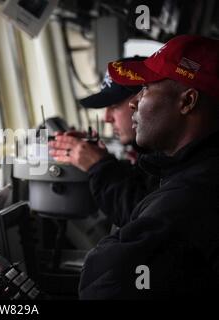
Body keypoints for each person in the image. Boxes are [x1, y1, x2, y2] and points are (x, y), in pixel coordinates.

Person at [76, 34, 219, 298]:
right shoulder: (188, 170)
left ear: (187, 102)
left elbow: (105, 284)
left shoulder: (192, 196)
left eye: (145, 89)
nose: (134, 102)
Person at [49, 57, 158, 225]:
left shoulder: (173, 156)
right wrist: (100, 157)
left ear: (144, 98)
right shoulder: (154, 153)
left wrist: (100, 167)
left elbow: (144, 222)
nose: (106, 118)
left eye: (114, 106)